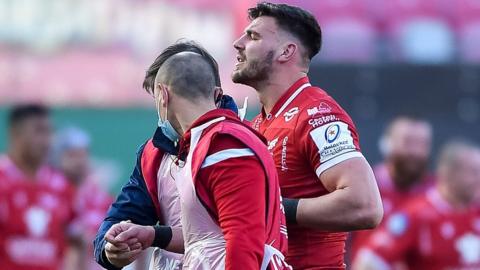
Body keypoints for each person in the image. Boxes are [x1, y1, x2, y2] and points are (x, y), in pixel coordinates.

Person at [231, 2, 383, 269]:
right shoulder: (256, 125)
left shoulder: (316, 114)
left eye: (253, 36)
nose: (238, 43)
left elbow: (365, 205)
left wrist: (275, 209)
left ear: (286, 51)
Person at [111, 49, 289, 269]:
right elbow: (207, 236)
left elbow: (243, 240)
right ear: (215, 94)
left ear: (163, 94)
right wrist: (152, 234)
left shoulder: (224, 144)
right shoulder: (203, 142)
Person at [93, 40, 239, 270]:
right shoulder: (153, 155)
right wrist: (111, 248)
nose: (165, 106)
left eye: (187, 94)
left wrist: (153, 235)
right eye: (162, 98)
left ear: (215, 93)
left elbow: (230, 233)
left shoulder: (242, 146)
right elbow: (118, 221)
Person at [353, 139, 480, 270]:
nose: (478, 179)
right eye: (473, 172)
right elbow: (369, 261)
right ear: (448, 173)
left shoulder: (476, 211)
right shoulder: (416, 215)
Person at [0, 104, 80, 270]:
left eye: (49, 132)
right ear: (15, 133)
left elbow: (76, 241)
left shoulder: (61, 186)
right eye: (38, 131)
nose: (46, 140)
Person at [350, 116, 434, 261]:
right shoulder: (364, 186)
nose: (415, 152)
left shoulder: (437, 193)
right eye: (407, 142)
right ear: (386, 145)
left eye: (421, 144)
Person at [51, 126, 113, 270]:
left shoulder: (100, 198)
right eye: (72, 155)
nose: (79, 161)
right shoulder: (51, 194)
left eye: (83, 155)